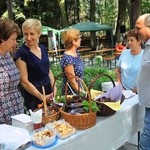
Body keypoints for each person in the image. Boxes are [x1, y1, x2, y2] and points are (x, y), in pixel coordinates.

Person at [14, 18, 56, 111]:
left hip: (48, 92)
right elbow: (24, 81)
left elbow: (48, 70)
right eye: (26, 34)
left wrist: (54, 87)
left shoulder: (43, 49)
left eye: (32, 34)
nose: (28, 38)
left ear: (39, 34)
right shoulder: (22, 53)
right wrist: (42, 97)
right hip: (34, 96)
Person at [0, 18, 24, 124]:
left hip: (17, 110)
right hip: (3, 114)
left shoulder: (7, 55)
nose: (15, 43)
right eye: (13, 39)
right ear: (2, 39)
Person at [135, 13, 150, 150]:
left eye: (138, 28)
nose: (136, 31)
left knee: (145, 143)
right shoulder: (147, 45)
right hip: (148, 103)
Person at [116, 29, 143, 93]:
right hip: (124, 92)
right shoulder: (124, 53)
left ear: (139, 41)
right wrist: (120, 86)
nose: (129, 43)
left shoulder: (145, 55)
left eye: (132, 40)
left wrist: (139, 87)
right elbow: (117, 70)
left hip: (139, 93)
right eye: (128, 40)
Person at [60, 28, 84, 95]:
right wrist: (84, 94)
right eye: (79, 38)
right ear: (73, 41)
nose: (80, 39)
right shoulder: (67, 59)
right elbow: (72, 82)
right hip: (71, 95)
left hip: (79, 90)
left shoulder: (76, 53)